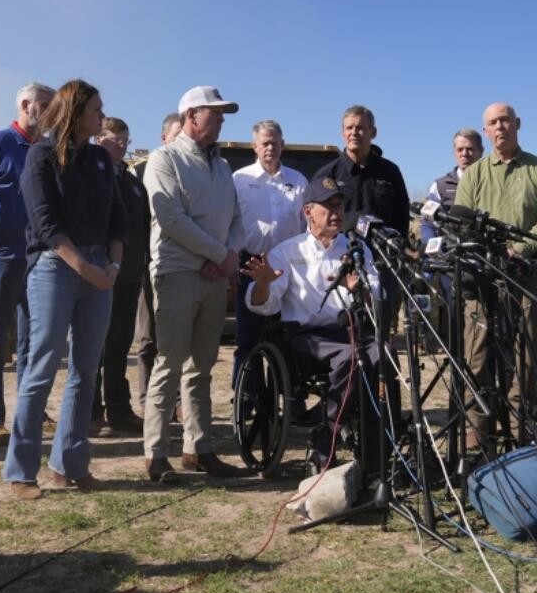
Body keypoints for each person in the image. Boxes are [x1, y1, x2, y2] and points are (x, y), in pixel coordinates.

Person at [3, 79, 125, 499]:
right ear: (75, 112)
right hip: (55, 267)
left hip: (99, 270)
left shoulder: (99, 160)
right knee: (41, 369)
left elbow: (116, 220)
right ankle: (20, 471)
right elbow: (45, 223)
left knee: (85, 372)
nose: (101, 117)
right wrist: (87, 269)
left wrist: (112, 264)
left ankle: (69, 465)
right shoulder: (40, 156)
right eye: (95, 109)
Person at [141, 85, 246, 483]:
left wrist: (226, 256)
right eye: (214, 114)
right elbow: (170, 218)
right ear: (191, 116)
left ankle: (197, 448)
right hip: (178, 271)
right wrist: (220, 255)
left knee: (201, 366)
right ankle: (154, 453)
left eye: (221, 115)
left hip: (214, 276)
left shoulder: (222, 168)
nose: (220, 121)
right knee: (169, 362)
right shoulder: (164, 159)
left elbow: (235, 218)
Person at [242, 178, 383, 471]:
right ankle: (326, 439)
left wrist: (360, 290)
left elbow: (377, 297)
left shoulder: (357, 249)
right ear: (308, 211)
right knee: (352, 357)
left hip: (350, 330)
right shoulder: (287, 251)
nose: (336, 211)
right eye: (328, 205)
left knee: (384, 355)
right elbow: (263, 304)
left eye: (339, 205)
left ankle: (377, 452)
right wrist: (263, 285)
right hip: (305, 339)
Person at [453, 102, 537, 450]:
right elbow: (462, 221)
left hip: (527, 274)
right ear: (486, 131)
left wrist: (519, 249)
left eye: (505, 120)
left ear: (518, 124)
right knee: (477, 354)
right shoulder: (474, 174)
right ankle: (478, 433)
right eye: (492, 123)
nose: (500, 127)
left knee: (526, 357)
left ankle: (520, 430)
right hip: (483, 278)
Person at [0, 82, 56, 448]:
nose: (52, 113)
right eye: (46, 106)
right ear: (26, 105)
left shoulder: (49, 150)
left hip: (39, 260)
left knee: (34, 344)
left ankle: (31, 412)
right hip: (1, 259)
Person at [228, 119, 307, 384]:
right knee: (248, 337)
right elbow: (228, 221)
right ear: (254, 146)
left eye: (274, 142)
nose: (270, 148)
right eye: (264, 143)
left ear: (282, 145)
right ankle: (248, 399)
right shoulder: (239, 179)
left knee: (287, 338)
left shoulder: (298, 181)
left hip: (289, 267)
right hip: (250, 264)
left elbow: (307, 225)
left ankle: (289, 400)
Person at [90, 117, 147, 435]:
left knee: (119, 345)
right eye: (115, 138)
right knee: (94, 345)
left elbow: (141, 228)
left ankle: (119, 409)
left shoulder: (133, 182)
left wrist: (138, 268)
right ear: (98, 140)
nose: (122, 144)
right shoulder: (90, 176)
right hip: (97, 272)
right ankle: (90, 412)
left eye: (125, 138)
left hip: (128, 276)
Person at [135, 112, 185, 403]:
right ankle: (146, 397)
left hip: (179, 264)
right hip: (147, 263)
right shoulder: (143, 169)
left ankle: (175, 399)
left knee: (178, 337)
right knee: (149, 337)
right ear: (164, 137)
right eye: (176, 134)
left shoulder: (192, 170)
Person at [313, 105, 410, 233]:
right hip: (340, 251)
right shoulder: (327, 175)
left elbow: (402, 217)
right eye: (349, 128)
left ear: (373, 132)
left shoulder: (390, 172)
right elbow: (316, 221)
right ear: (343, 133)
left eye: (360, 128)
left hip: (381, 251)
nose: (353, 133)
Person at [420, 128, 483, 242]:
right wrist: (431, 247)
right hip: (453, 253)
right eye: (460, 149)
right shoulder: (440, 186)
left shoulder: (491, 181)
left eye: (470, 149)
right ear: (454, 152)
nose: (464, 154)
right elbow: (427, 222)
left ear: (481, 151)